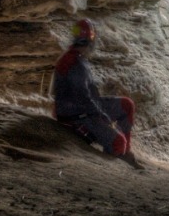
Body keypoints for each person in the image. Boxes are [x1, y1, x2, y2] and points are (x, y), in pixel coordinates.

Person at [51, 18, 142, 169]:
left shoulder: (75, 58)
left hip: (80, 108)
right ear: (90, 40)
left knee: (126, 105)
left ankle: (125, 152)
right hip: (78, 115)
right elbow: (84, 99)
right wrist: (103, 116)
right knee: (118, 143)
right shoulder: (74, 62)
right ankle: (116, 153)